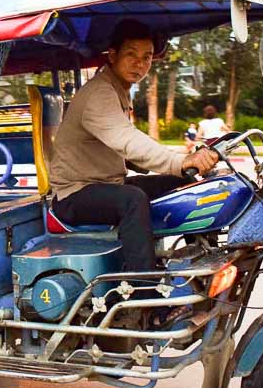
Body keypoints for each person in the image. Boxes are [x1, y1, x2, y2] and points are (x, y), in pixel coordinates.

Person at [48, 19, 219, 275]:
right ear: (113, 55)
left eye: (147, 57)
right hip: (74, 194)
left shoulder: (118, 91)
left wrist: (182, 165)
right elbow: (126, 139)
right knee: (133, 200)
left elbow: (126, 148)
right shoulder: (100, 93)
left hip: (107, 184)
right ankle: (143, 292)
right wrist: (179, 161)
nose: (140, 63)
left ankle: (202, 261)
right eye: (131, 54)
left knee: (187, 182)